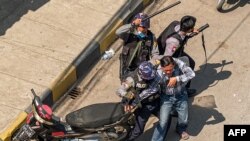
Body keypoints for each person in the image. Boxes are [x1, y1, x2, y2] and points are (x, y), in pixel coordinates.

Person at [151, 56, 195, 141]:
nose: (168, 72)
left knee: (183, 118)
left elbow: (192, 74)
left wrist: (177, 78)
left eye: (170, 70)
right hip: (166, 98)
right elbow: (150, 87)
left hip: (181, 94)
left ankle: (181, 129)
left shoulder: (178, 63)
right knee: (163, 122)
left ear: (173, 65)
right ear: (162, 67)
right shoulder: (157, 70)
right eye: (165, 70)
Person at [116, 61, 162, 141]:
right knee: (137, 129)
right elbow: (119, 90)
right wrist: (129, 96)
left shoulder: (152, 69)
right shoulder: (131, 79)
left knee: (165, 118)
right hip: (137, 104)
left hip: (152, 101)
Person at [154, 15, 198, 96]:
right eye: (192, 28)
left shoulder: (176, 24)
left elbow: (182, 34)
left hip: (172, 50)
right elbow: (167, 57)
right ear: (188, 29)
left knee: (191, 63)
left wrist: (189, 33)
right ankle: (184, 89)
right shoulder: (174, 42)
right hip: (167, 55)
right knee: (188, 65)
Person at [116, 13, 159, 81]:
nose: (140, 28)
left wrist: (151, 64)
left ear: (147, 27)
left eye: (143, 27)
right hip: (127, 67)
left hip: (142, 69)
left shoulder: (151, 37)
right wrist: (132, 24)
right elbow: (118, 32)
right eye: (138, 26)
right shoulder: (129, 33)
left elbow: (155, 53)